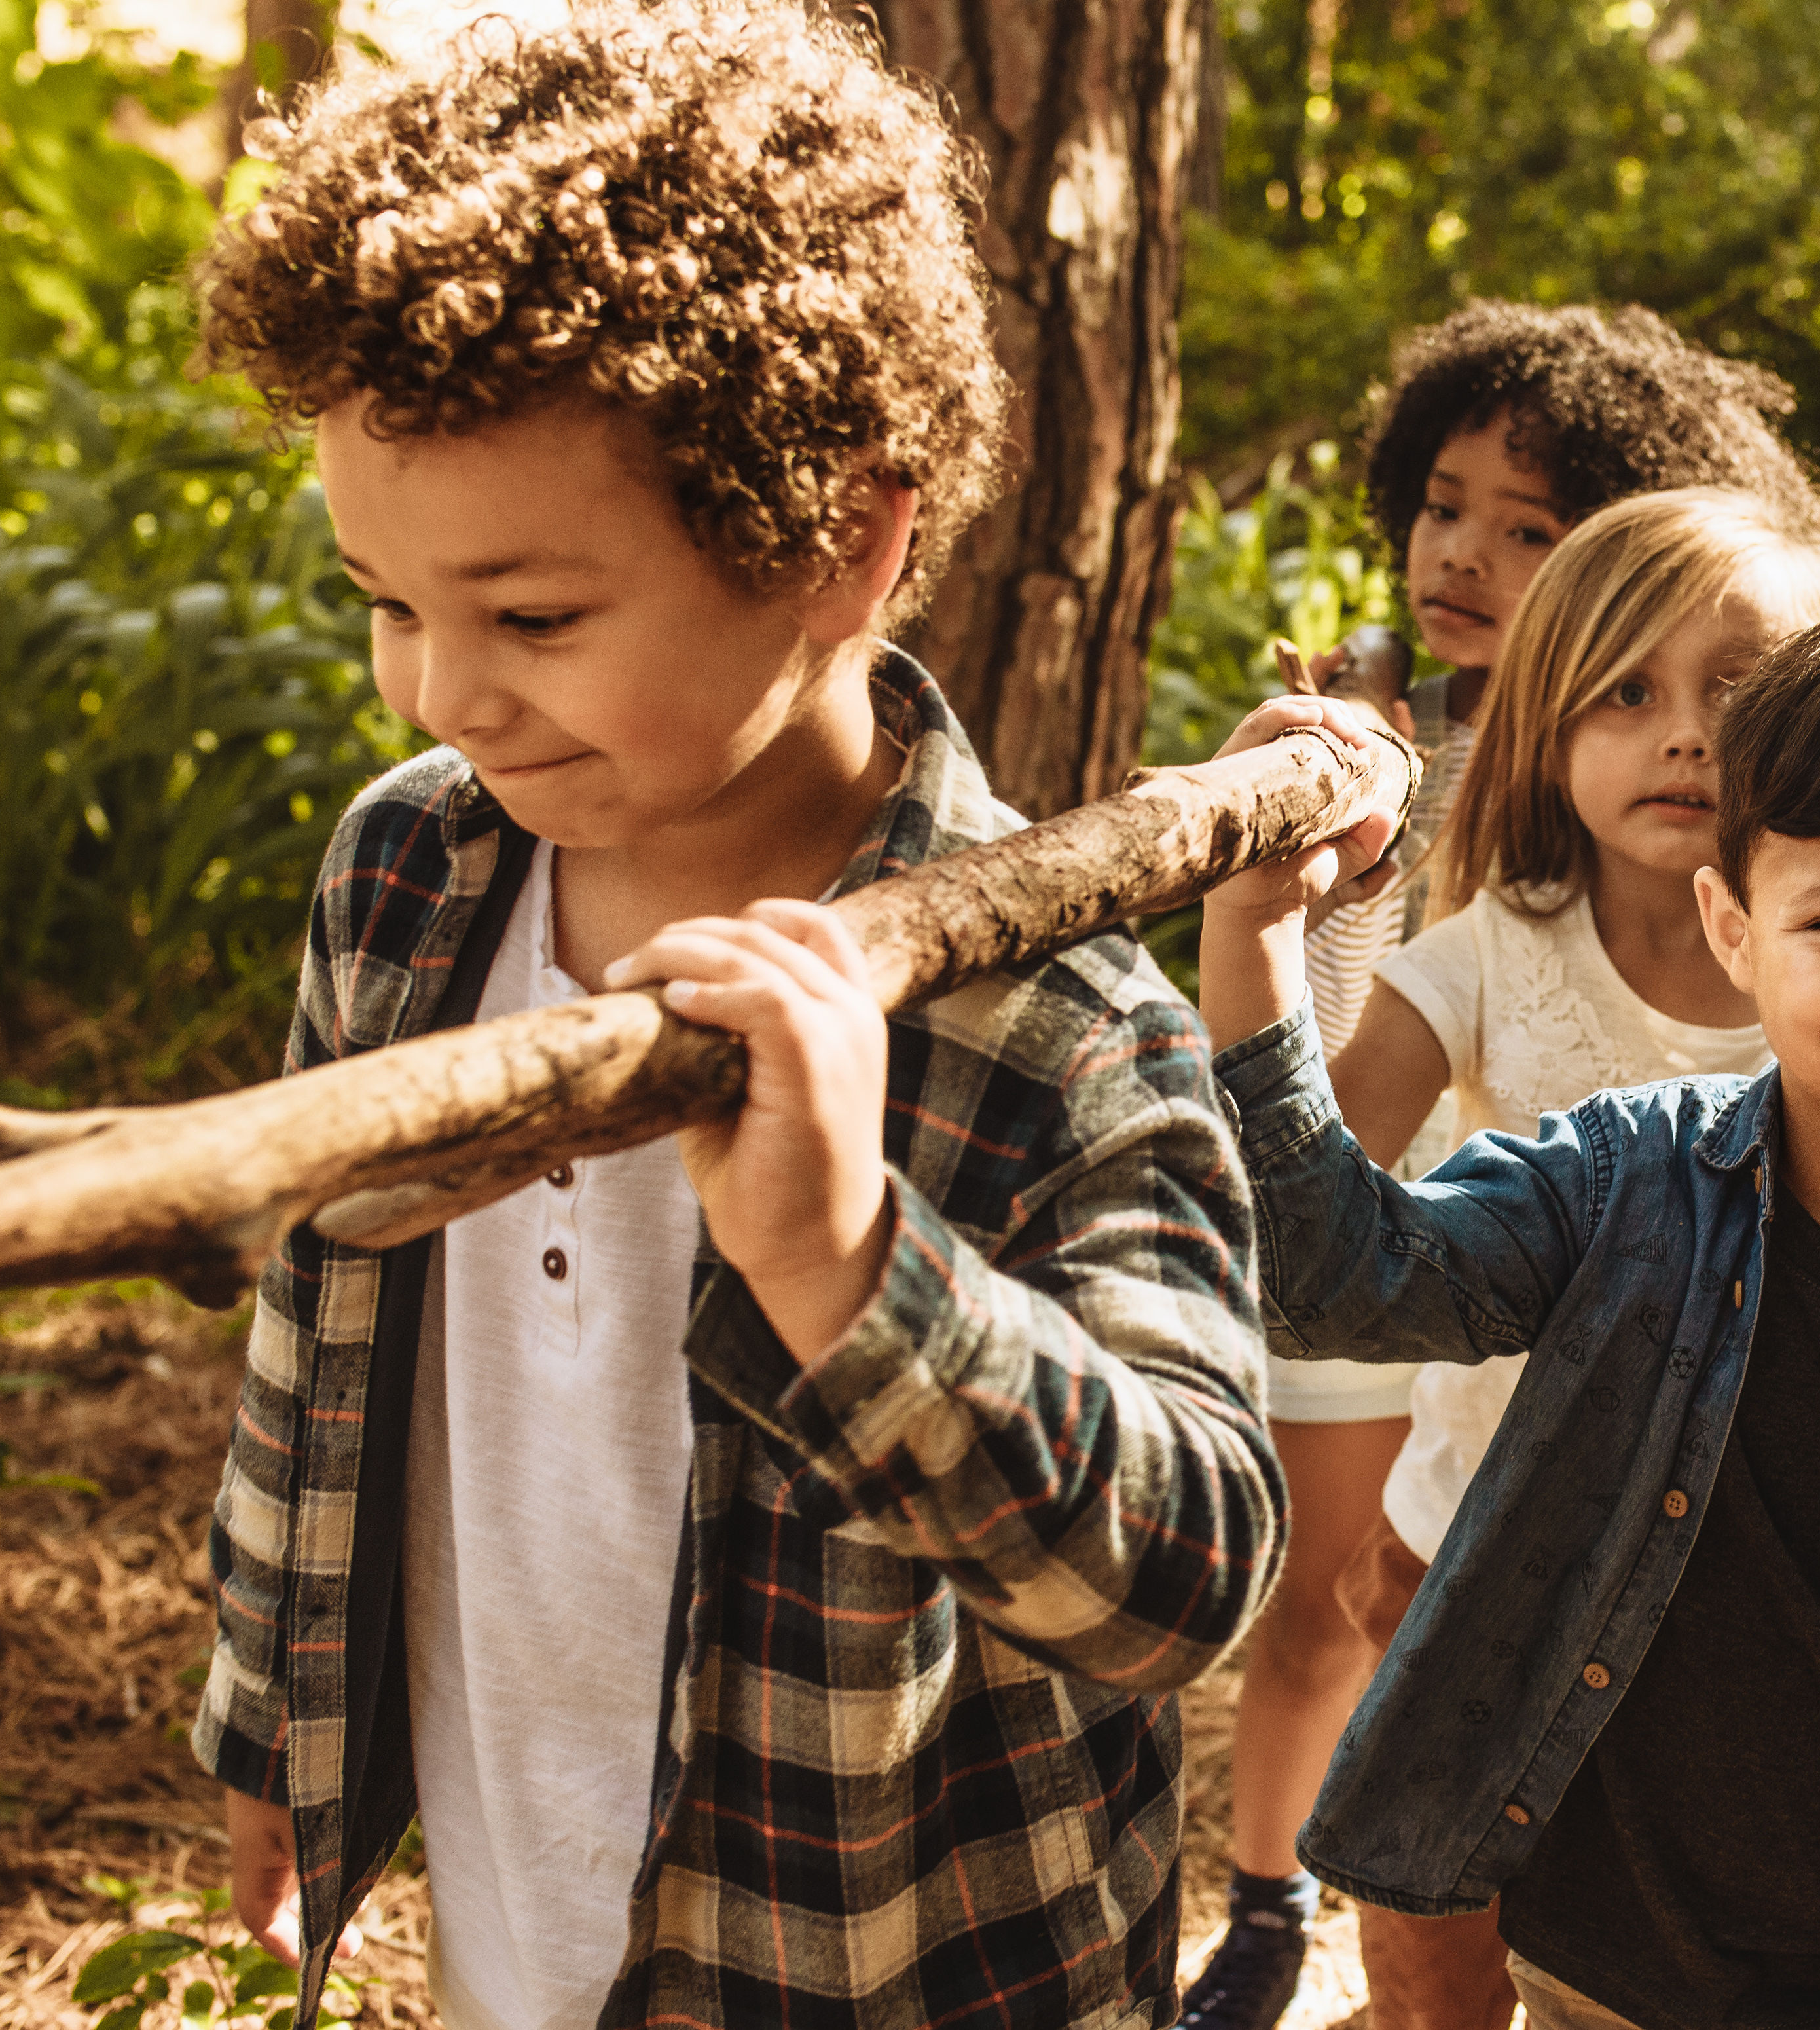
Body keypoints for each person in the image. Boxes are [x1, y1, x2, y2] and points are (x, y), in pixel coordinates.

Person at [181, 9, 1288, 2027]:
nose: (438, 691)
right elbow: (319, 1312)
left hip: (898, 1967)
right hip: (533, 1924)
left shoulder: (1051, 1022)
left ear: (842, 544)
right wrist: (282, 1719)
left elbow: (1184, 1578)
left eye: (529, 618)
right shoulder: (409, 875)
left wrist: (848, 1260)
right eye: (384, 597)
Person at [1206, 604, 1820, 2030]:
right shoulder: (1622, 1186)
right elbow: (1331, 1281)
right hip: (1590, 1966)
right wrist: (1253, 934)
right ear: (1734, 926)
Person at [1194, 308, 1820, 2030]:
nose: (1683, 736)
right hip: (1469, 1530)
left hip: (1732, 1569)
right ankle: (1282, 1928)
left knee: (1643, 1935)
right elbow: (1320, 1177)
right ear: (1553, 715)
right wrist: (1257, 928)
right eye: (1623, 693)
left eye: (1734, 693)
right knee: (1427, 1916)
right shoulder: (1488, 944)